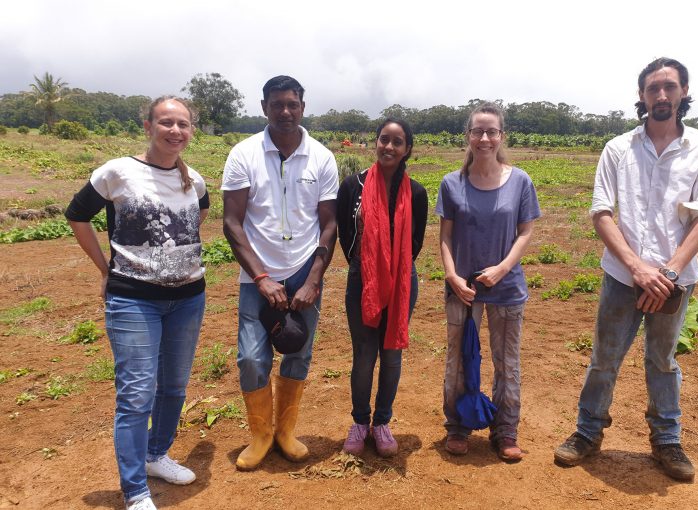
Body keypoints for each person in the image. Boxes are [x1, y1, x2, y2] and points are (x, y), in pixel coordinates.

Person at [553, 57, 698, 482]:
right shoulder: (618, 149)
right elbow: (602, 213)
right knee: (604, 359)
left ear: (683, 91)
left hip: (674, 281)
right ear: (642, 96)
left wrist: (666, 273)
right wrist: (637, 268)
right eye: (652, 88)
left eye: (669, 87)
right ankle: (588, 433)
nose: (661, 95)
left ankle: (667, 439)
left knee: (662, 361)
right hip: (621, 276)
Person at [65, 96, 209, 510]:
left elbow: (199, 215)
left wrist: (171, 255)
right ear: (148, 126)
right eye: (166, 122)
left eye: (183, 124)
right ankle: (135, 490)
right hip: (133, 301)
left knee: (175, 386)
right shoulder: (117, 172)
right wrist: (104, 268)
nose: (175, 130)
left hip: (187, 298)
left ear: (191, 131)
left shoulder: (193, 179)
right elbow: (78, 214)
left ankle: (155, 454)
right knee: (135, 395)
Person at [222, 75, 338, 470]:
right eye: (277, 104)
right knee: (252, 358)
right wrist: (260, 278)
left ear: (303, 107)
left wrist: (313, 279)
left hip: (305, 271)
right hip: (257, 275)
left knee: (298, 353)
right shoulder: (244, 154)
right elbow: (232, 223)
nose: (285, 111)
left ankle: (286, 433)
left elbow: (328, 225)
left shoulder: (321, 157)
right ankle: (260, 435)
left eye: (292, 104)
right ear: (264, 107)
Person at [436, 103, 541, 461]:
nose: (484, 138)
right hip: (462, 290)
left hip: (507, 288)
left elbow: (525, 232)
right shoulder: (452, 183)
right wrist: (452, 276)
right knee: (458, 359)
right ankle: (458, 426)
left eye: (491, 131)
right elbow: (445, 237)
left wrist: (502, 268)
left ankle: (505, 430)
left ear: (501, 136)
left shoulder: (520, 180)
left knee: (507, 362)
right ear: (468, 136)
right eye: (477, 131)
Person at [337, 118, 428, 457]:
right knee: (364, 355)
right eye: (383, 139)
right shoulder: (353, 186)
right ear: (375, 143)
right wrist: (369, 270)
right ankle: (360, 422)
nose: (389, 147)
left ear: (407, 150)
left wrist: (392, 269)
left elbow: (416, 240)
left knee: (391, 355)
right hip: (363, 279)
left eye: (397, 142)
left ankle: (383, 422)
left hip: (404, 279)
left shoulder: (416, 192)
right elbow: (346, 237)